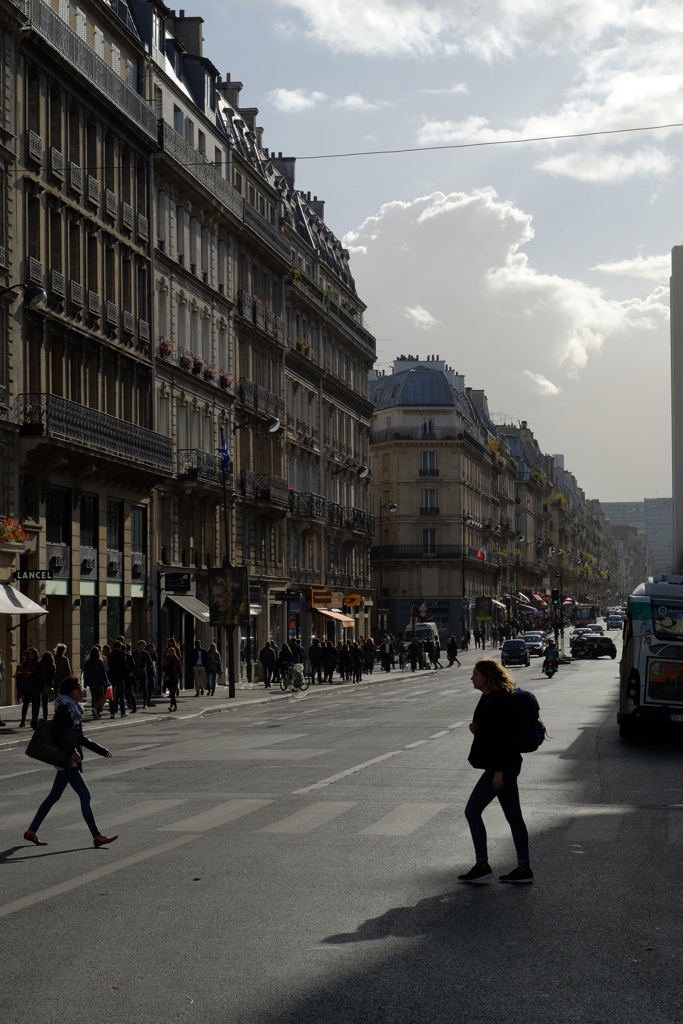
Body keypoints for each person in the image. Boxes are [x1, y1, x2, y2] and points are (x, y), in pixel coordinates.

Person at [459, 660, 533, 885]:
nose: (472, 678)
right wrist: (477, 728)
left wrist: (499, 771)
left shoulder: (497, 700)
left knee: (472, 811)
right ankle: (523, 868)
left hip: (502, 765)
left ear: (486, 676)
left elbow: (503, 737)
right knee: (514, 817)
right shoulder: (490, 697)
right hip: (506, 764)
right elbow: (490, 730)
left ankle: (482, 866)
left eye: (475, 674)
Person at [23, 676, 117, 848]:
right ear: (70, 691)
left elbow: (78, 737)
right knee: (85, 795)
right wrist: (72, 751)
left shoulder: (72, 709)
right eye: (79, 688)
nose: (82, 691)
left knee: (53, 796)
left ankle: (31, 831)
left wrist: (100, 750)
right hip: (65, 758)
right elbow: (57, 734)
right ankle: (96, 836)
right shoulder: (65, 709)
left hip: (66, 758)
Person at [30, 651, 55, 730]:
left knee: (36, 704)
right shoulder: (52, 666)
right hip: (46, 686)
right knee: (45, 705)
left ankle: (34, 721)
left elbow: (34, 675)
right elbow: (52, 678)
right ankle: (45, 720)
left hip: (37, 685)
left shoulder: (38, 665)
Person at [83, 647, 108, 719]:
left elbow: (85, 673)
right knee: (100, 697)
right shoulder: (100, 662)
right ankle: (95, 708)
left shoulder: (87, 662)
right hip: (99, 682)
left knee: (93, 697)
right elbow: (103, 673)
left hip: (91, 682)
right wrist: (107, 681)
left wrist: (86, 682)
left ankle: (95, 712)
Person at [18, 648, 39, 727]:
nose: (30, 655)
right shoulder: (25, 663)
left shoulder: (37, 663)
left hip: (35, 685)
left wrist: (32, 674)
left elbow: (38, 673)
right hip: (27, 685)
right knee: (26, 704)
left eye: (32, 654)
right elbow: (23, 673)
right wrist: (28, 674)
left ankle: (33, 721)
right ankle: (23, 721)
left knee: (35, 704)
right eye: (29, 653)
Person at [133, 641, 155, 708]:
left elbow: (150, 662)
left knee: (144, 688)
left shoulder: (146, 653)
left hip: (142, 673)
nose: (143, 647)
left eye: (144, 646)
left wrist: (146, 668)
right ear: (138, 645)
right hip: (135, 672)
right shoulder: (134, 653)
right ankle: (132, 702)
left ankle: (145, 702)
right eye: (142, 645)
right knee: (132, 687)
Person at [162, 643, 182, 711]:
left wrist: (180, 679)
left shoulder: (177, 660)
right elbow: (163, 668)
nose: (170, 653)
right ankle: (175, 706)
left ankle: (171, 706)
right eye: (169, 652)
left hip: (175, 677)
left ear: (174, 652)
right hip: (168, 677)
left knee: (172, 692)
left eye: (171, 652)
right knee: (172, 693)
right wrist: (165, 665)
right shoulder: (166, 660)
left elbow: (180, 669)